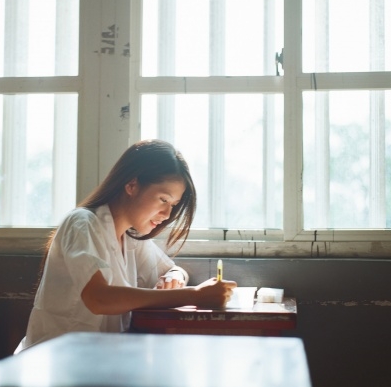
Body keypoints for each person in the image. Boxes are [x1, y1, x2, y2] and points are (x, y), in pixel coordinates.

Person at [15, 139, 236, 352]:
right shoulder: (83, 223)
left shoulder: (130, 236)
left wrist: (174, 277)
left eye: (173, 205)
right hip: (53, 365)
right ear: (132, 185)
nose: (168, 214)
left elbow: (171, 268)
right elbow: (98, 298)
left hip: (97, 363)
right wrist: (193, 296)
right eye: (163, 200)